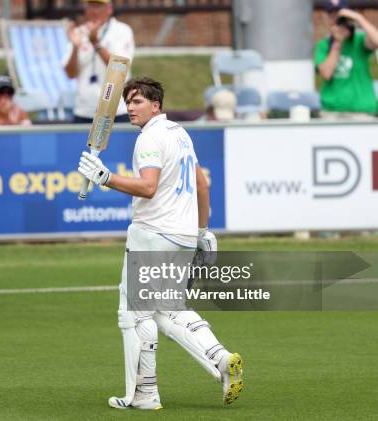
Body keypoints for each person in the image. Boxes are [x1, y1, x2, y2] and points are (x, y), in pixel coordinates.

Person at [77, 77, 243, 410]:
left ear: (156, 105)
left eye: (137, 101)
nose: (130, 107)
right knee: (168, 310)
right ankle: (221, 360)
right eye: (128, 102)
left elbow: (148, 187)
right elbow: (202, 184)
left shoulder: (149, 139)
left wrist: (105, 178)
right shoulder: (180, 134)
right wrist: (201, 230)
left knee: (134, 315)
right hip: (181, 236)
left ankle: (143, 395)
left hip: (152, 234)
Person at [63, 0, 134, 123]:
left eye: (99, 6)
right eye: (91, 6)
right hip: (84, 111)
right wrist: (75, 47)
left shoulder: (122, 31)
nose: (94, 11)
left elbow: (119, 67)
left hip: (115, 110)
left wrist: (96, 43)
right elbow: (70, 74)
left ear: (109, 9)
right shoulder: (78, 32)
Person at [315, 0, 378, 119]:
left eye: (339, 16)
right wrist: (337, 43)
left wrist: (359, 19)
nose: (336, 21)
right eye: (332, 16)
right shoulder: (324, 45)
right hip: (332, 111)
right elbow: (326, 73)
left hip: (361, 111)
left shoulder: (359, 40)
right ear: (327, 19)